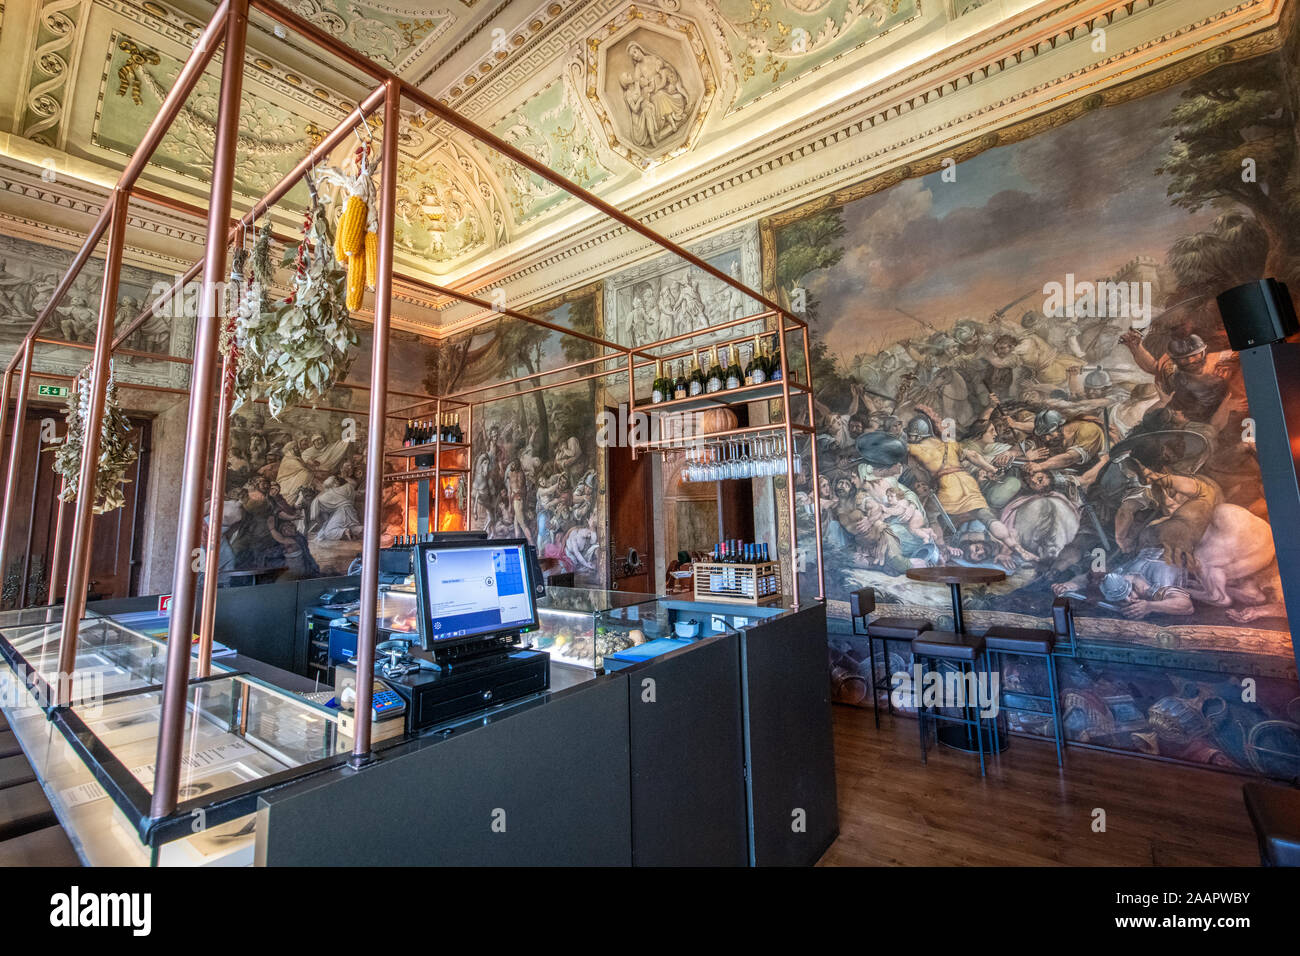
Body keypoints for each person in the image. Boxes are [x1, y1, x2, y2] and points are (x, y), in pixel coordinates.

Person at [904, 412, 1034, 564]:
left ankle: (942, 550)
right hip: (967, 482)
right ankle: (1018, 549)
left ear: (916, 435)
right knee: (987, 517)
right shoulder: (949, 444)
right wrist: (991, 470)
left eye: (912, 436)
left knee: (932, 516)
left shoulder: (914, 449)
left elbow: (918, 472)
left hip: (947, 485)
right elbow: (973, 455)